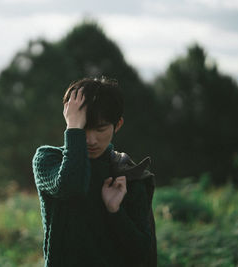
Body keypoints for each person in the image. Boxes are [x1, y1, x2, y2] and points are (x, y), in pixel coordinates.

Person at [32, 77, 156, 267]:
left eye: (100, 129)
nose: (90, 140)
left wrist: (115, 212)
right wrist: (73, 128)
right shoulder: (48, 160)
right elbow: (72, 186)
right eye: (83, 129)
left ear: (118, 125)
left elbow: (141, 254)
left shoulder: (127, 173)